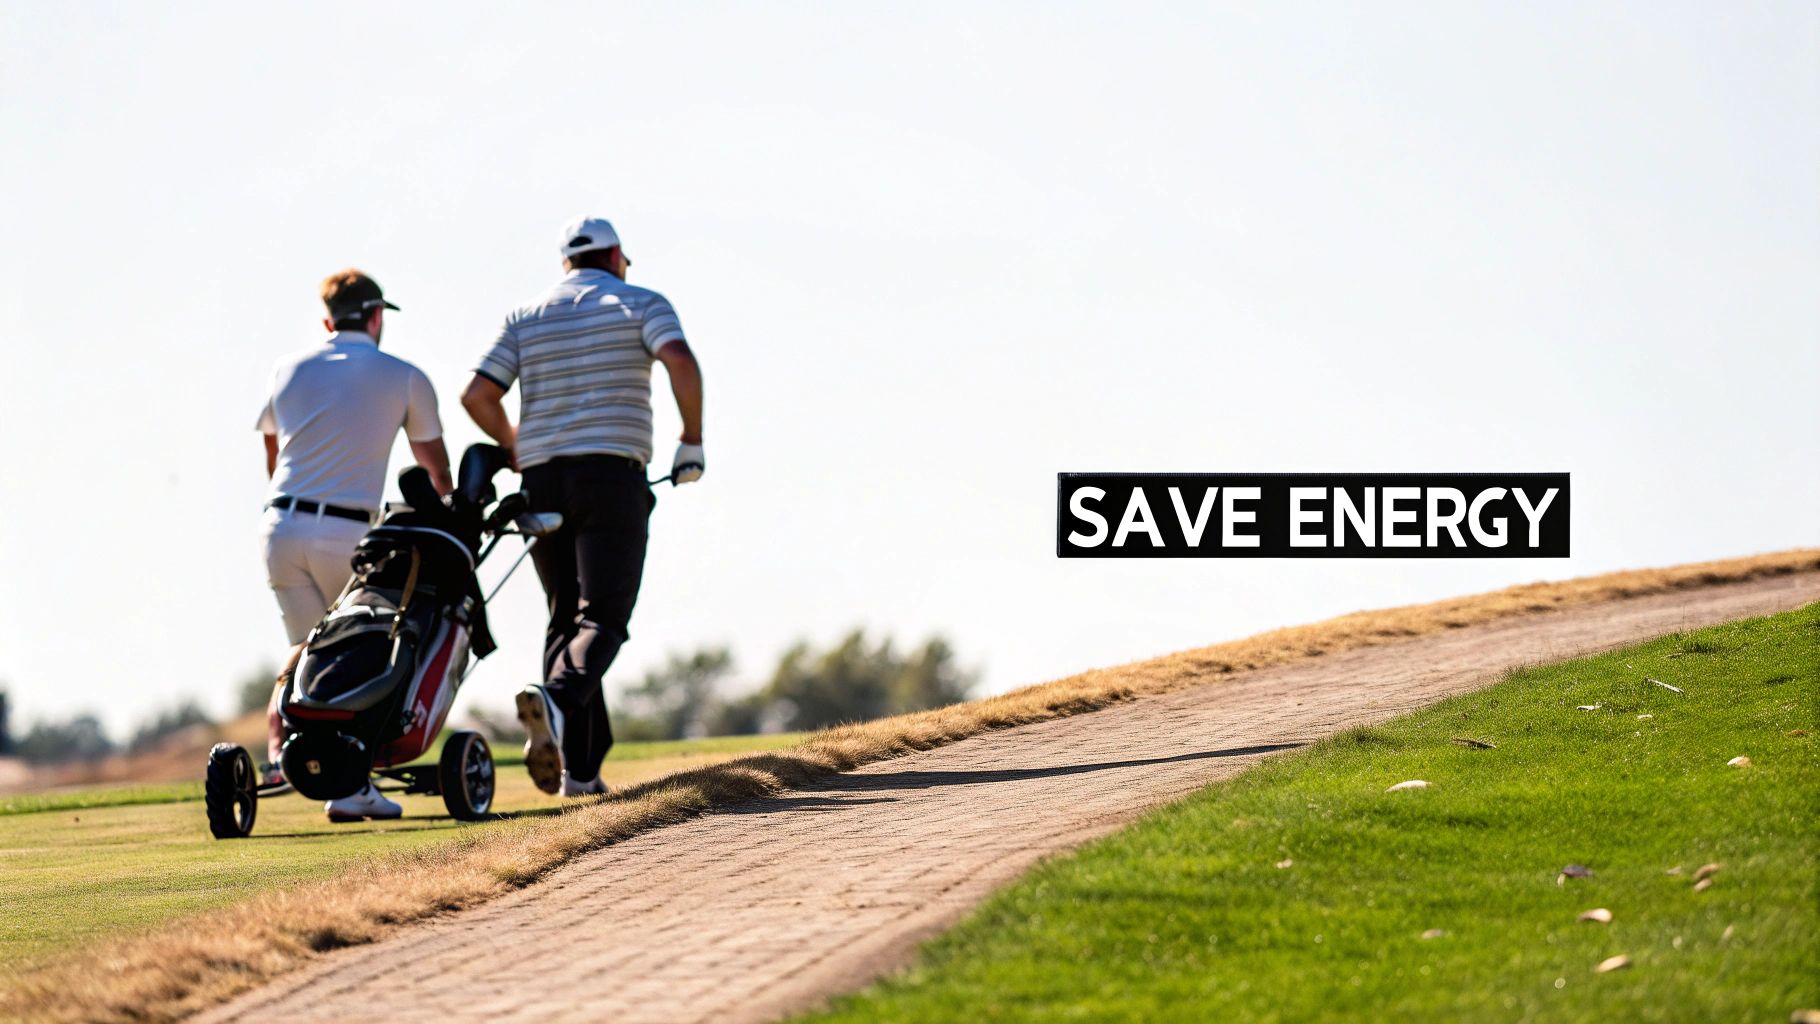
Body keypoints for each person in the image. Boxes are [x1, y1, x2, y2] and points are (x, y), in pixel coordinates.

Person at [462, 216, 705, 798]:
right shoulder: (641, 302)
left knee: (565, 616)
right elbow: (679, 360)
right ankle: (556, 701)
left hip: (542, 481)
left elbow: (477, 394)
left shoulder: (525, 316)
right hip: (610, 476)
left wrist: (516, 446)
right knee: (604, 618)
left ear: (566, 263)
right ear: (616, 256)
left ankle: (583, 772)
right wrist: (692, 438)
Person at [257, 269, 453, 822]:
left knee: (304, 650)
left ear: (328, 321)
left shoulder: (286, 369)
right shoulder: (404, 375)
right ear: (376, 316)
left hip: (279, 528)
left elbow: (274, 455)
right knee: (359, 652)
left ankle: (282, 755)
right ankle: (350, 785)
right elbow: (437, 474)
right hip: (348, 533)